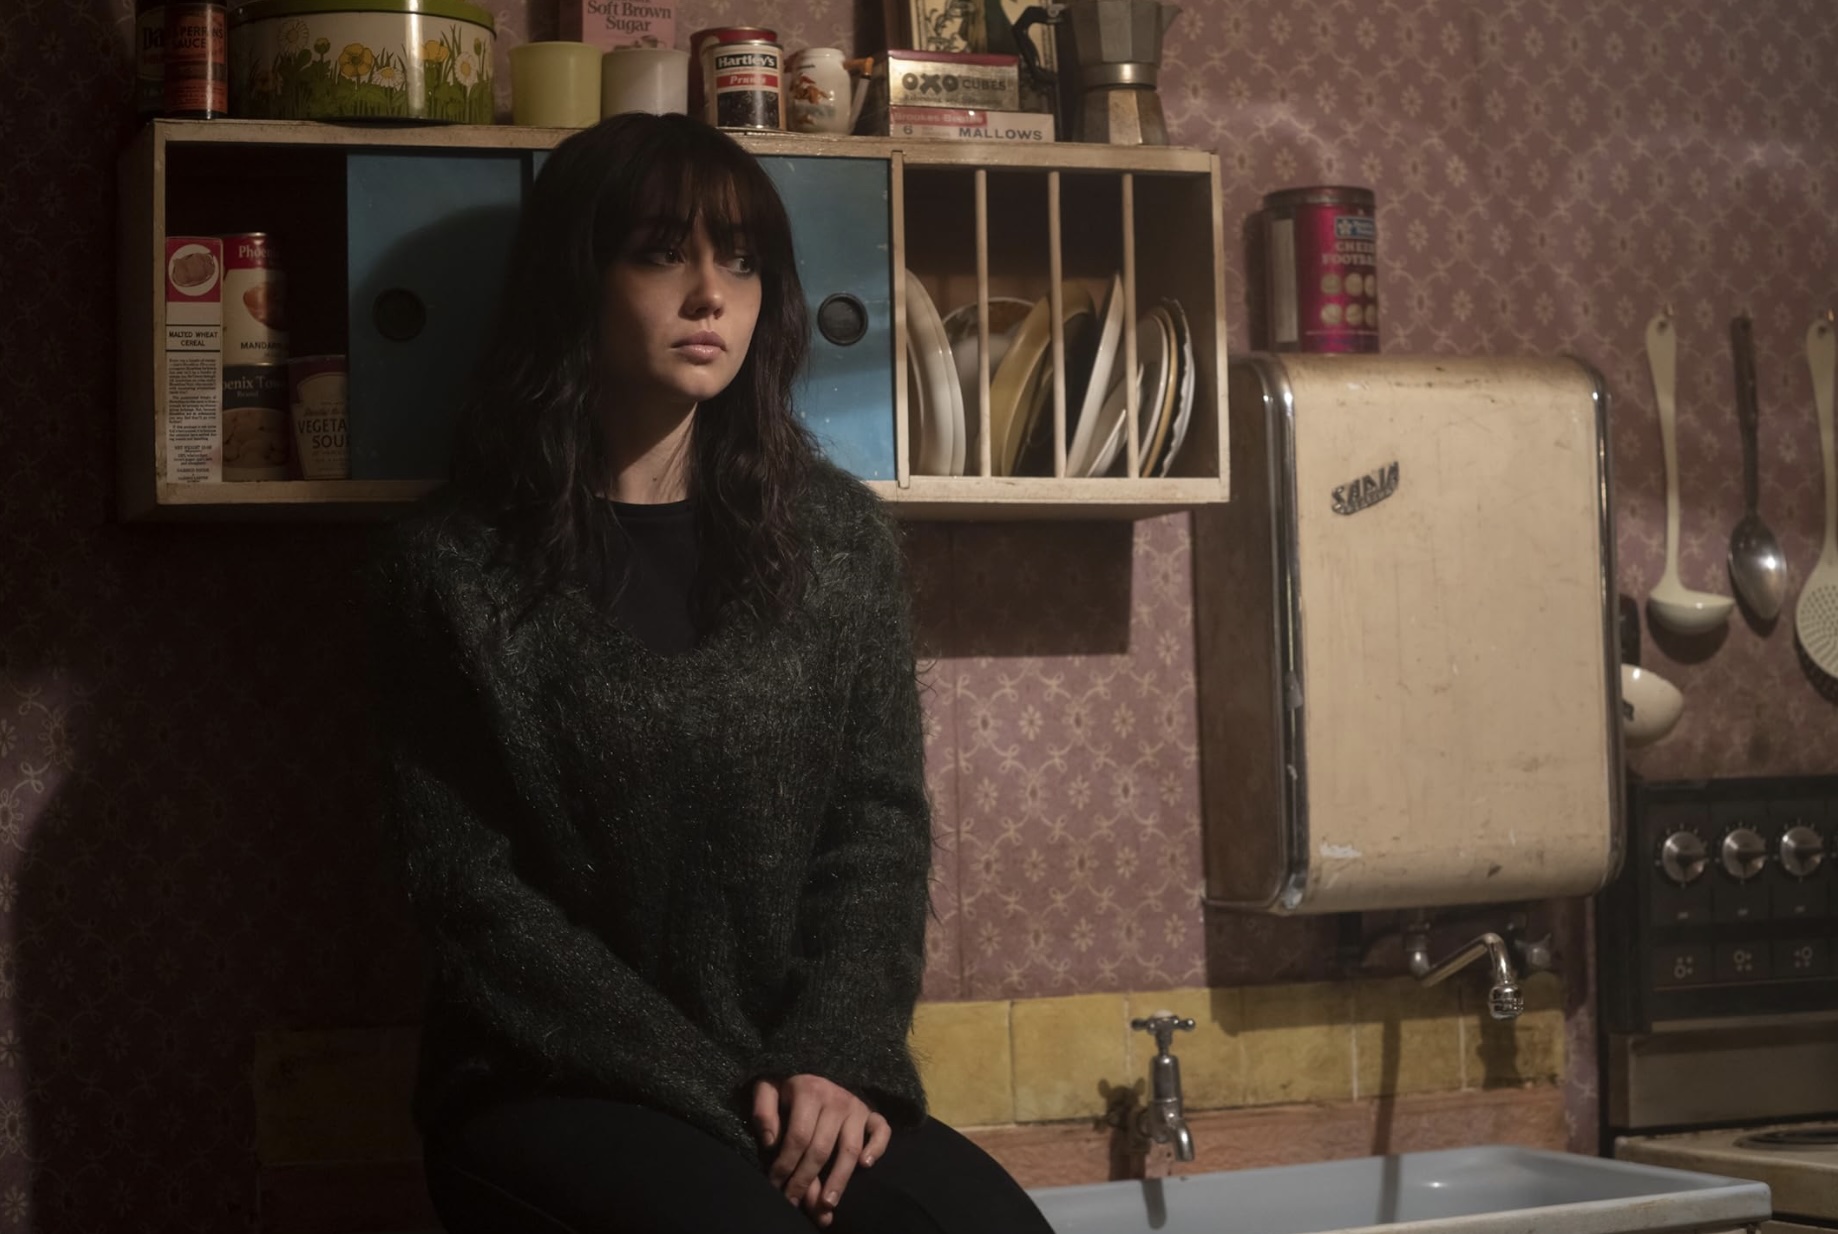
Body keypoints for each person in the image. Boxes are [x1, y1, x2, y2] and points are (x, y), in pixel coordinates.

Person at [367, 112, 1058, 1234]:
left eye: (740, 260)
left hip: (797, 1074)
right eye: (659, 252)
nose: (709, 293)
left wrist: (833, 1057)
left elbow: (875, 830)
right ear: (573, 279)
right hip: (552, 1084)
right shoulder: (450, 570)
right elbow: (470, 897)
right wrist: (723, 1094)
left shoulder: (836, 541)